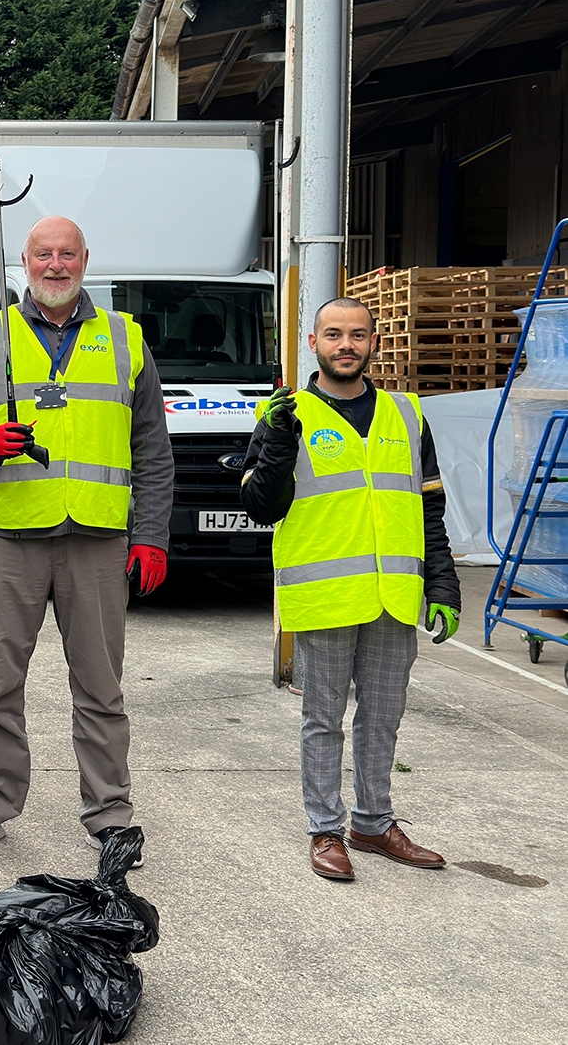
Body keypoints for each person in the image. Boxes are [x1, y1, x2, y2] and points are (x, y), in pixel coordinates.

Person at [0, 215, 173, 860]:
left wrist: (150, 534)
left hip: (97, 539)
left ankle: (110, 812)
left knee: (100, 685)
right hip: (10, 536)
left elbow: (152, 446)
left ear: (86, 260)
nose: (56, 265)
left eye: (67, 253)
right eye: (44, 254)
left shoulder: (125, 338)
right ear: (25, 261)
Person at [241, 297, 458, 881]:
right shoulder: (284, 413)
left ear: (373, 344)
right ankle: (324, 829)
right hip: (326, 595)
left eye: (357, 335)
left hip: (394, 595)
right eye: (333, 334)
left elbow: (429, 507)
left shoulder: (407, 415)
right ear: (313, 343)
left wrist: (443, 582)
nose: (346, 345)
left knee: (383, 715)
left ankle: (373, 822)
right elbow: (261, 507)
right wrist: (279, 448)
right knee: (323, 718)